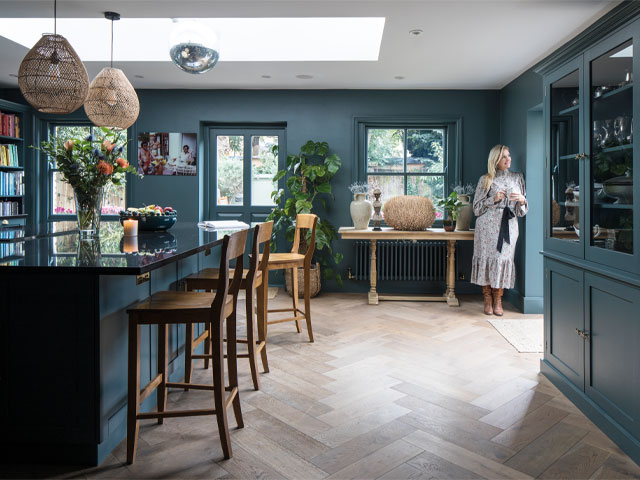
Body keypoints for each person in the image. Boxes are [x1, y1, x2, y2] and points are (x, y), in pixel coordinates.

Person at [471, 144, 527, 316]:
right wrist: (493, 199)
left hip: (509, 226)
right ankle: (487, 299)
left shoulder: (517, 178)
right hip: (487, 227)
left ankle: (498, 299)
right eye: (503, 157)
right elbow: (476, 209)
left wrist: (523, 201)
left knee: (502, 260)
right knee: (488, 260)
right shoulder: (486, 179)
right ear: (495, 160)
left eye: (509, 155)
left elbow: (521, 212)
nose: (508, 159)